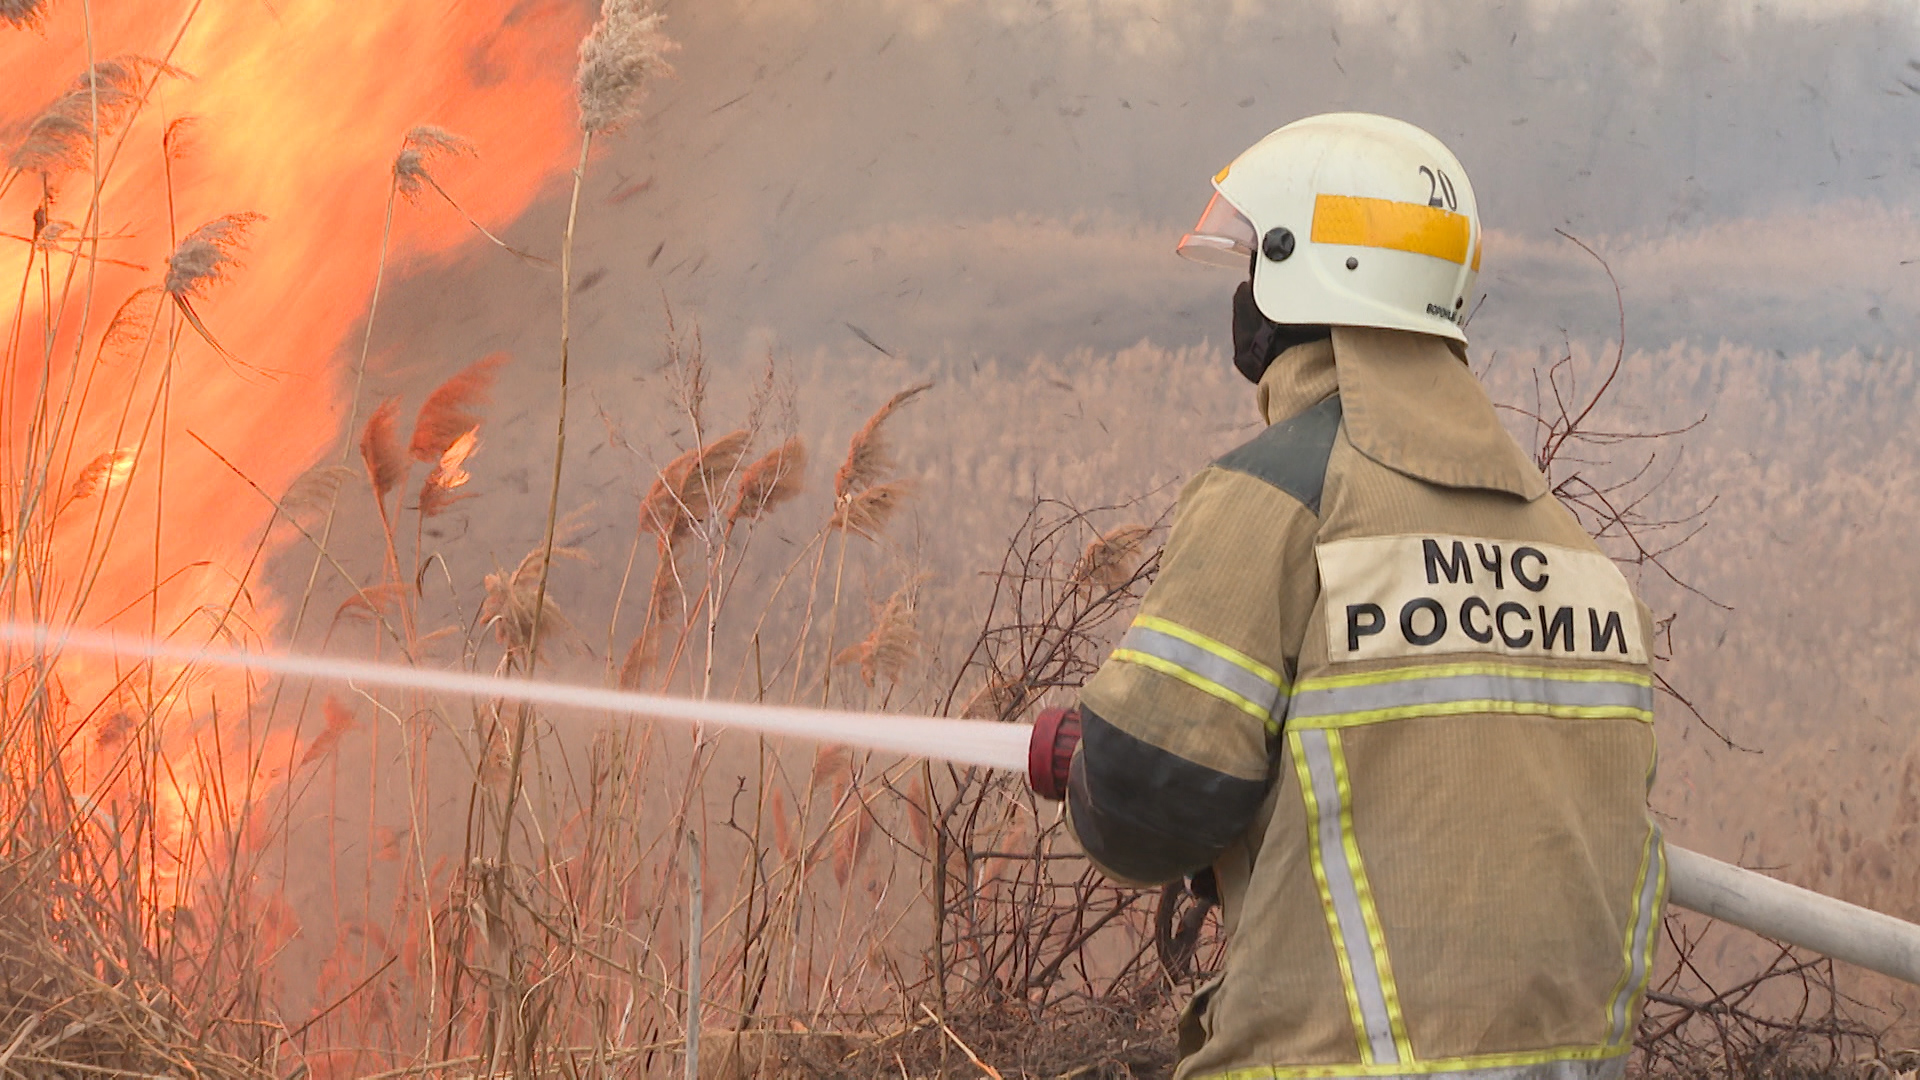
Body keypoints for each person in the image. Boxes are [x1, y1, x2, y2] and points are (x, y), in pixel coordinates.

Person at [1027, 113, 1665, 1080]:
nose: (1243, 296)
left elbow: (1145, 801)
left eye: (1255, 264)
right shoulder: (1571, 548)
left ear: (1301, 271)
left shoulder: (1280, 497)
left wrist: (1089, 765)